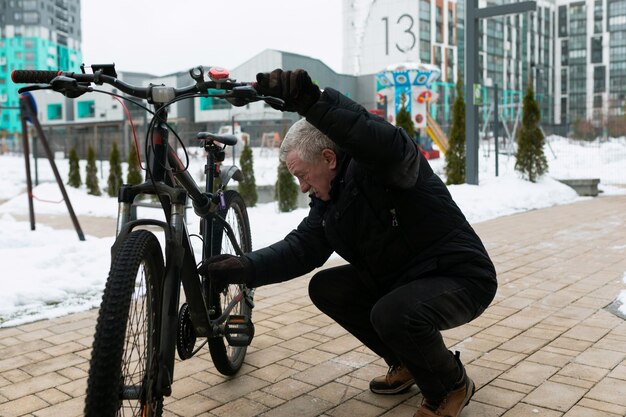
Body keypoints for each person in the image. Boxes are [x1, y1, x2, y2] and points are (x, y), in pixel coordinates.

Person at [199, 69, 497, 417]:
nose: (302, 187)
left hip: (460, 278)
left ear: (329, 158)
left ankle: (450, 385)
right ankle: (408, 362)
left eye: (302, 175)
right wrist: (246, 267)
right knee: (327, 286)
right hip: (407, 280)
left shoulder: (386, 164)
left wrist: (315, 103)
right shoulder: (329, 202)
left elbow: (371, 134)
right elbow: (302, 249)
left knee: (393, 313)